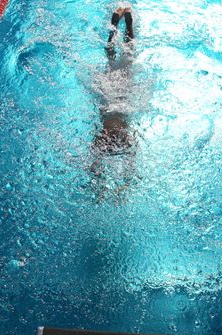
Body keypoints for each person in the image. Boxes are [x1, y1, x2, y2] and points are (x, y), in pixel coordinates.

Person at [90, 6, 138, 202]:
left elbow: (95, 166)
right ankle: (120, 26)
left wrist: (102, 189)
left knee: (124, 57)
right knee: (113, 58)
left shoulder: (114, 140)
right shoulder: (113, 140)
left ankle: (122, 25)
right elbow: (129, 164)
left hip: (117, 96)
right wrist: (123, 188)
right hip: (110, 97)